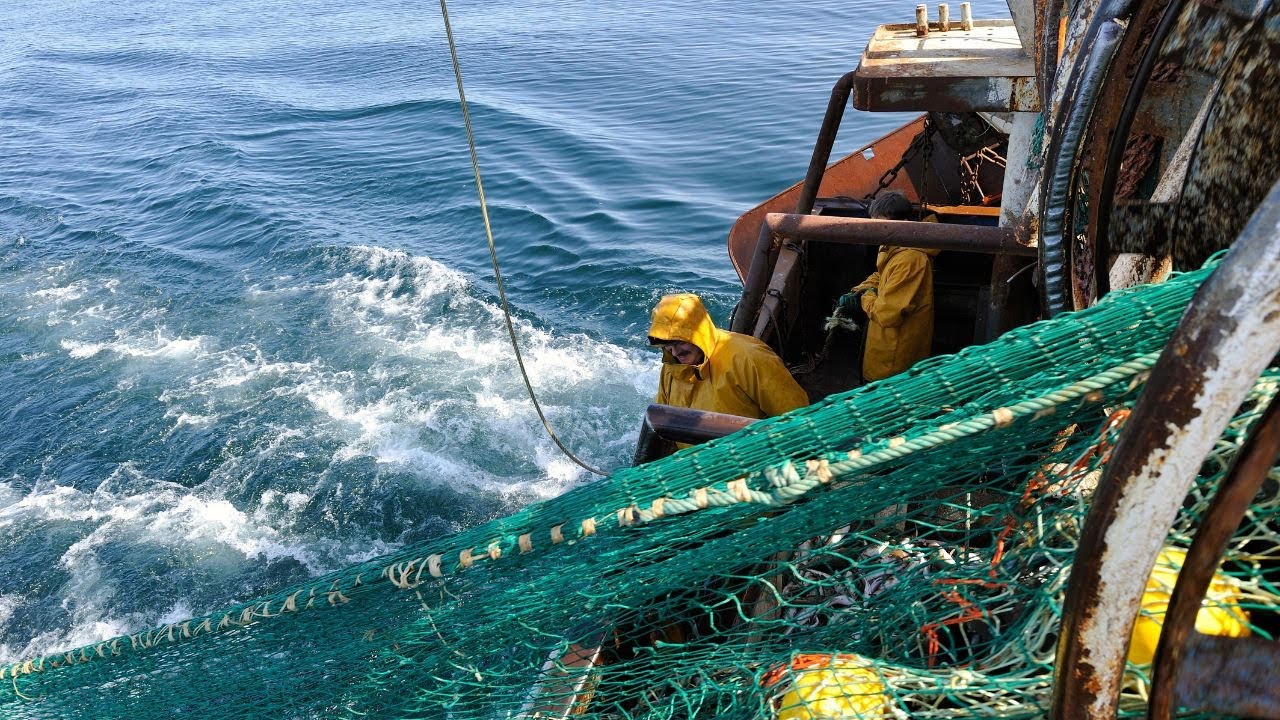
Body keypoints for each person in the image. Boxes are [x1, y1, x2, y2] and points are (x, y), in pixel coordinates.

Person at [648, 293, 809, 419]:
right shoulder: (671, 367)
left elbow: (796, 418)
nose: (675, 352)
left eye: (679, 342)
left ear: (697, 334)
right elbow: (663, 420)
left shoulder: (749, 358)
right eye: (667, 345)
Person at [838, 191, 939, 383]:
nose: (878, 231)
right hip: (883, 343)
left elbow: (887, 313)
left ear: (903, 223)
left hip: (894, 358)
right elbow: (882, 274)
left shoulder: (910, 259)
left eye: (883, 225)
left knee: (885, 399)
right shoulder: (893, 243)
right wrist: (859, 289)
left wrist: (864, 298)